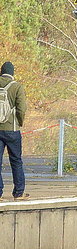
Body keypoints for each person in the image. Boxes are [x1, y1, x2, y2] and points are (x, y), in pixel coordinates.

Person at [0, 61, 28, 200]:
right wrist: (20, 122)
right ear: (12, 73)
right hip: (12, 129)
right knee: (16, 161)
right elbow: (21, 109)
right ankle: (18, 192)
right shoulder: (16, 87)